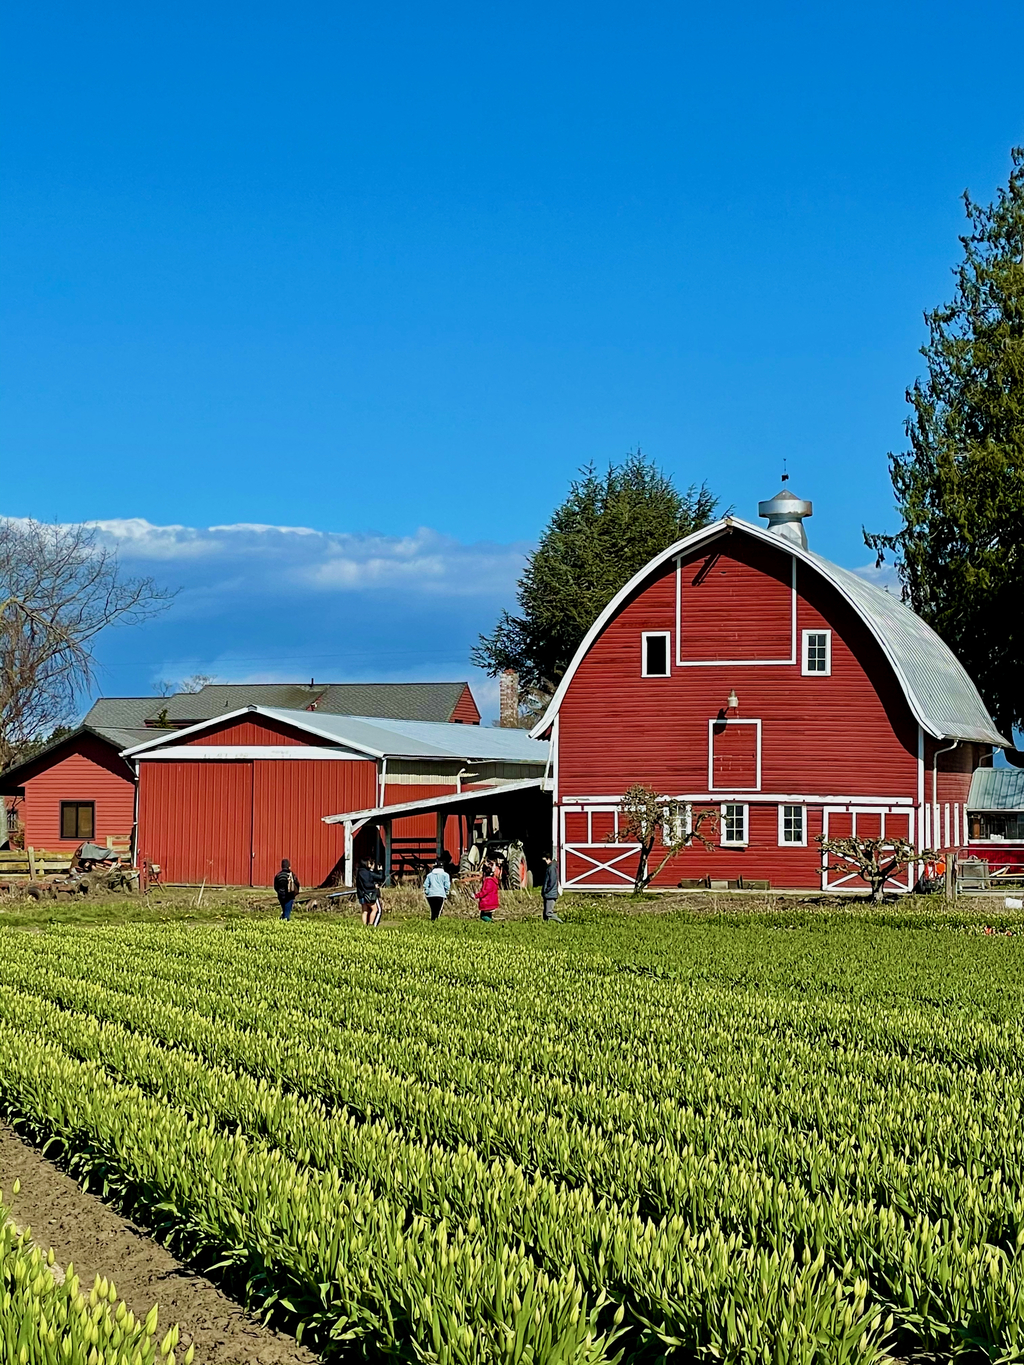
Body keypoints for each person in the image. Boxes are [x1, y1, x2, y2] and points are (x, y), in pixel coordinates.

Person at [356, 858, 385, 926]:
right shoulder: (367, 873)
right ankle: (371, 924)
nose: (370, 864)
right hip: (369, 894)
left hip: (361, 894)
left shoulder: (359, 872)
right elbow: (381, 878)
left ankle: (364, 926)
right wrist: (380, 871)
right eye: (369, 863)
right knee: (375, 910)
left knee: (365, 911)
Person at [541, 853, 561, 922]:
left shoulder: (551, 868)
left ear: (548, 859)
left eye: (544, 860)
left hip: (550, 894)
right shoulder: (550, 867)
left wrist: (547, 890)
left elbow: (552, 881)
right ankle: (547, 925)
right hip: (548, 894)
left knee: (548, 913)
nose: (544, 862)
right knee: (545, 914)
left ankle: (560, 922)